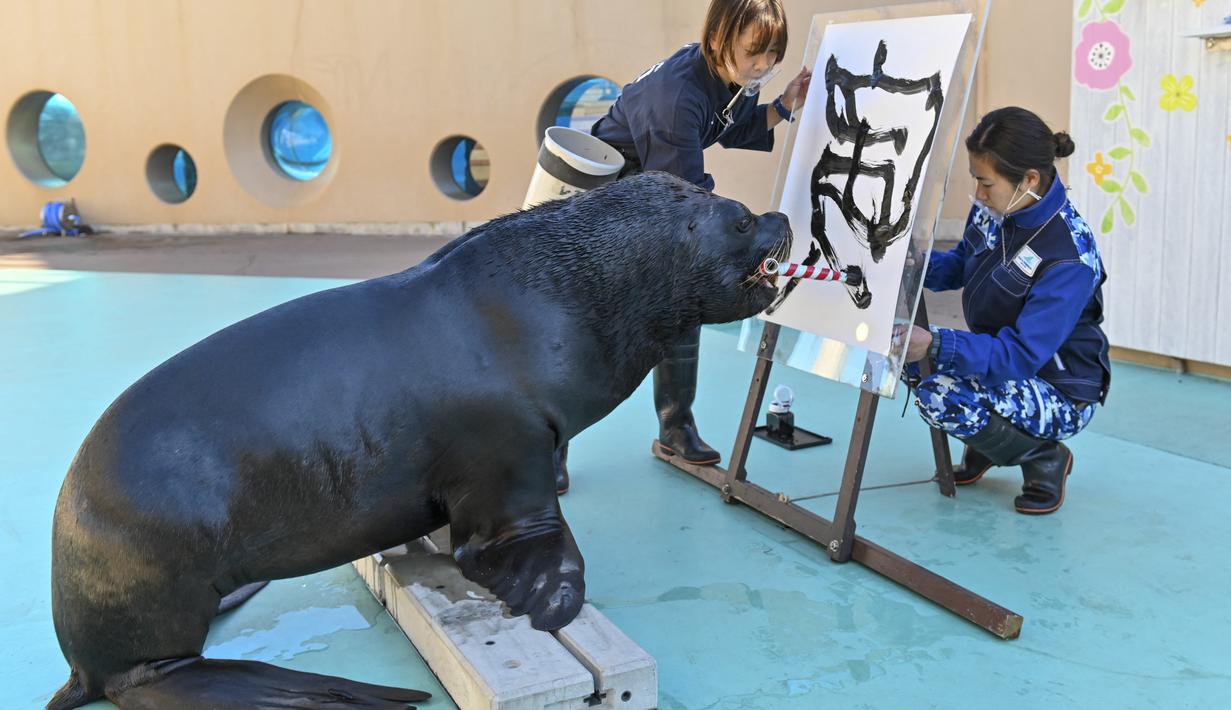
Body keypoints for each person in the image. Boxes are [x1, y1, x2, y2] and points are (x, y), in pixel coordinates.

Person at [552, 0, 812, 494]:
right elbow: (684, 199)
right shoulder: (676, 96)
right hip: (599, 214)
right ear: (719, 39)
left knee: (681, 304)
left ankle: (676, 425)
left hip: (644, 202)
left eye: (773, 54)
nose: (764, 66)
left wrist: (783, 106)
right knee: (586, 332)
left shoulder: (716, 74)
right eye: (754, 52)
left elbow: (727, 127)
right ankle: (550, 450)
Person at [903, 106, 1111, 515]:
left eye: (986, 183)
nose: (979, 195)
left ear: (1029, 180)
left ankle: (1043, 457)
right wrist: (916, 264)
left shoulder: (1069, 256)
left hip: (1059, 388)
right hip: (1008, 363)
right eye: (976, 181)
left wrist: (937, 343)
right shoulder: (997, 206)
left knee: (941, 393)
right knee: (910, 362)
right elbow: (964, 261)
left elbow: (1019, 355)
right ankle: (991, 441)